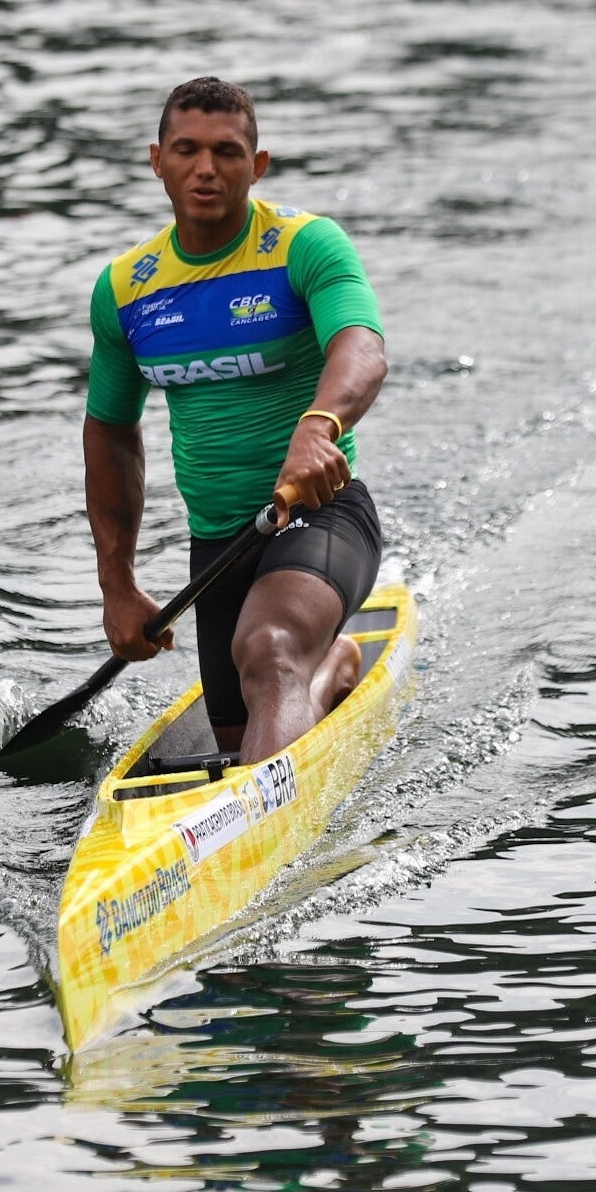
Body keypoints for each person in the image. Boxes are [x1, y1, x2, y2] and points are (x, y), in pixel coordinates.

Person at [83, 76, 387, 764]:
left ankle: (261, 818)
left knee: (269, 650)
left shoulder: (305, 247)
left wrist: (319, 426)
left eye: (227, 151)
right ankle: (333, 665)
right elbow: (110, 435)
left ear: (258, 165)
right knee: (240, 721)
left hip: (322, 514)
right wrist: (118, 585)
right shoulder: (127, 290)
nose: (206, 168)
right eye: (186, 150)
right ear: (156, 160)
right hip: (219, 547)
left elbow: (361, 347)